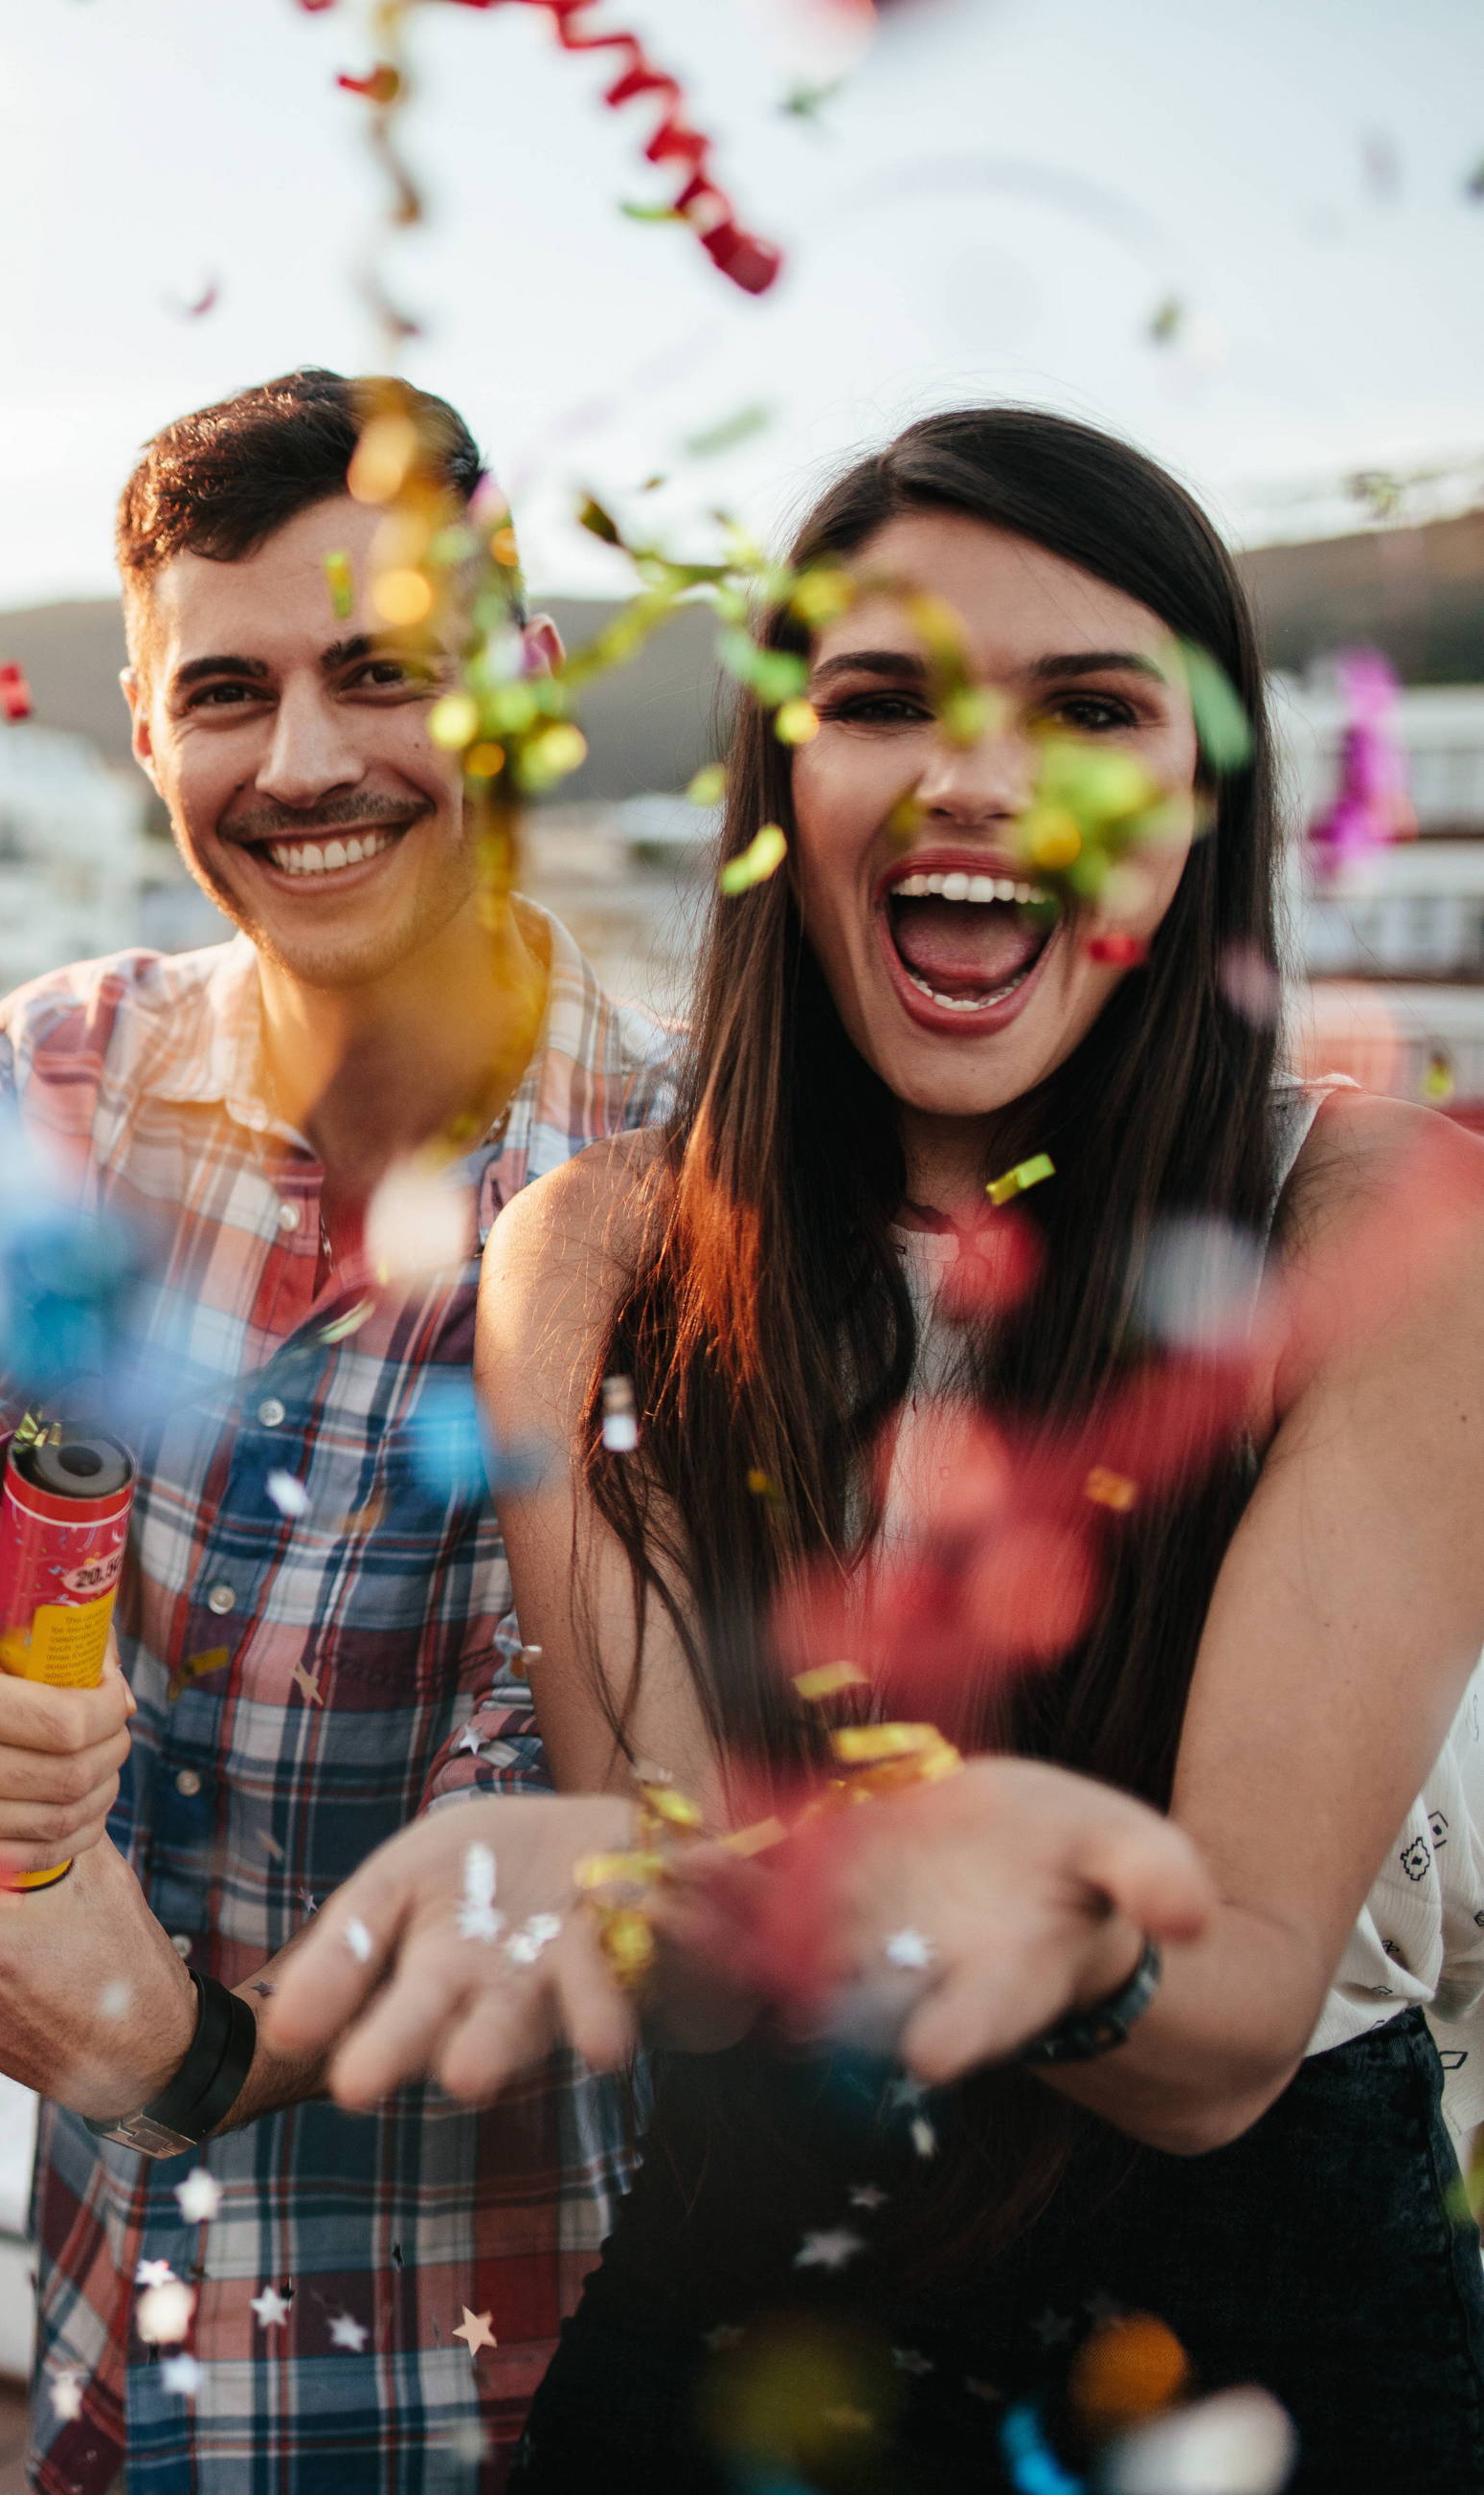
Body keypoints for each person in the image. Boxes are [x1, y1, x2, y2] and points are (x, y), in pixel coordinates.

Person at [263, 407, 1484, 2489]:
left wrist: (1040, 1914)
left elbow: (1226, 2032)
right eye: (878, 698)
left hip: (1262, 2340)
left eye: (1087, 705)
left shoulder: (1381, 1236)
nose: (972, 773)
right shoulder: (582, 1257)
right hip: (753, 2304)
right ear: (777, 790)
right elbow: (671, 1910)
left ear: (1200, 804)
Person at [0, 369, 675, 2489]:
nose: (306, 760)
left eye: (383, 674)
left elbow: (596, 1792)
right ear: (146, 728)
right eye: (228, 691)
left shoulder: (688, 1159)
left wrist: (195, 2059)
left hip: (529, 2383)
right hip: (110, 2367)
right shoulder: (60, 1070)